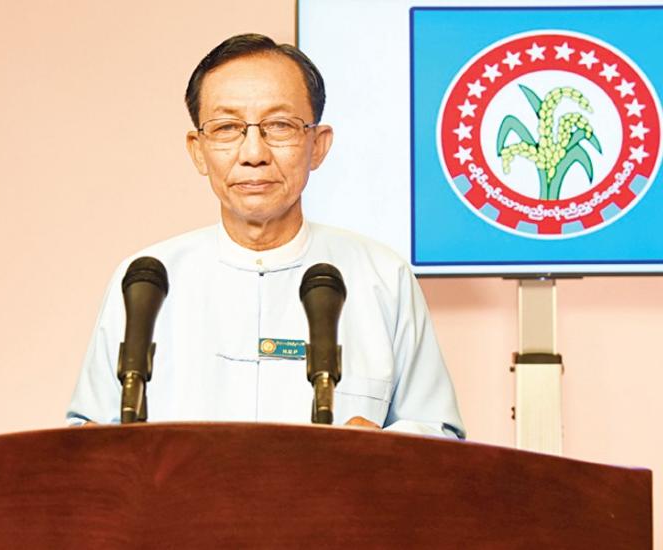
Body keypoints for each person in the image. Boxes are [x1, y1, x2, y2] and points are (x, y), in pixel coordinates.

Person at [67, 34, 465, 438]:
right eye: (227, 128)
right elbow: (87, 439)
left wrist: (379, 449)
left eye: (279, 126)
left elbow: (441, 436)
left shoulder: (381, 276)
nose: (253, 153)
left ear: (318, 145)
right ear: (198, 150)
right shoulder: (146, 281)